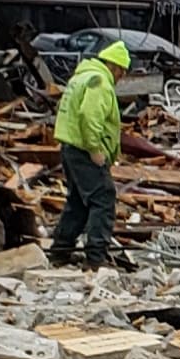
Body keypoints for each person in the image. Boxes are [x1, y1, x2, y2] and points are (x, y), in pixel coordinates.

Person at [50, 37, 130, 266]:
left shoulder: (82, 77)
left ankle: (60, 250)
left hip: (70, 147)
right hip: (85, 150)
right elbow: (89, 115)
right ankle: (96, 257)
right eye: (121, 72)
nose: (120, 78)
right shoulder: (99, 82)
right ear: (113, 66)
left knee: (78, 201)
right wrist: (95, 148)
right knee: (103, 199)